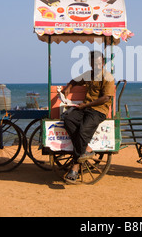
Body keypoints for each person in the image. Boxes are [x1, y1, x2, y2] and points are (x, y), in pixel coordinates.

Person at [62, 50, 115, 184]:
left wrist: (86, 105)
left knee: (83, 130)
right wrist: (69, 86)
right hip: (86, 108)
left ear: (102, 62)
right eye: (93, 64)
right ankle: (86, 149)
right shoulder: (89, 74)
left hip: (98, 110)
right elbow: (75, 79)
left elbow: (106, 98)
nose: (96, 66)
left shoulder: (107, 77)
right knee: (68, 119)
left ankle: (75, 167)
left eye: (98, 64)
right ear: (90, 64)